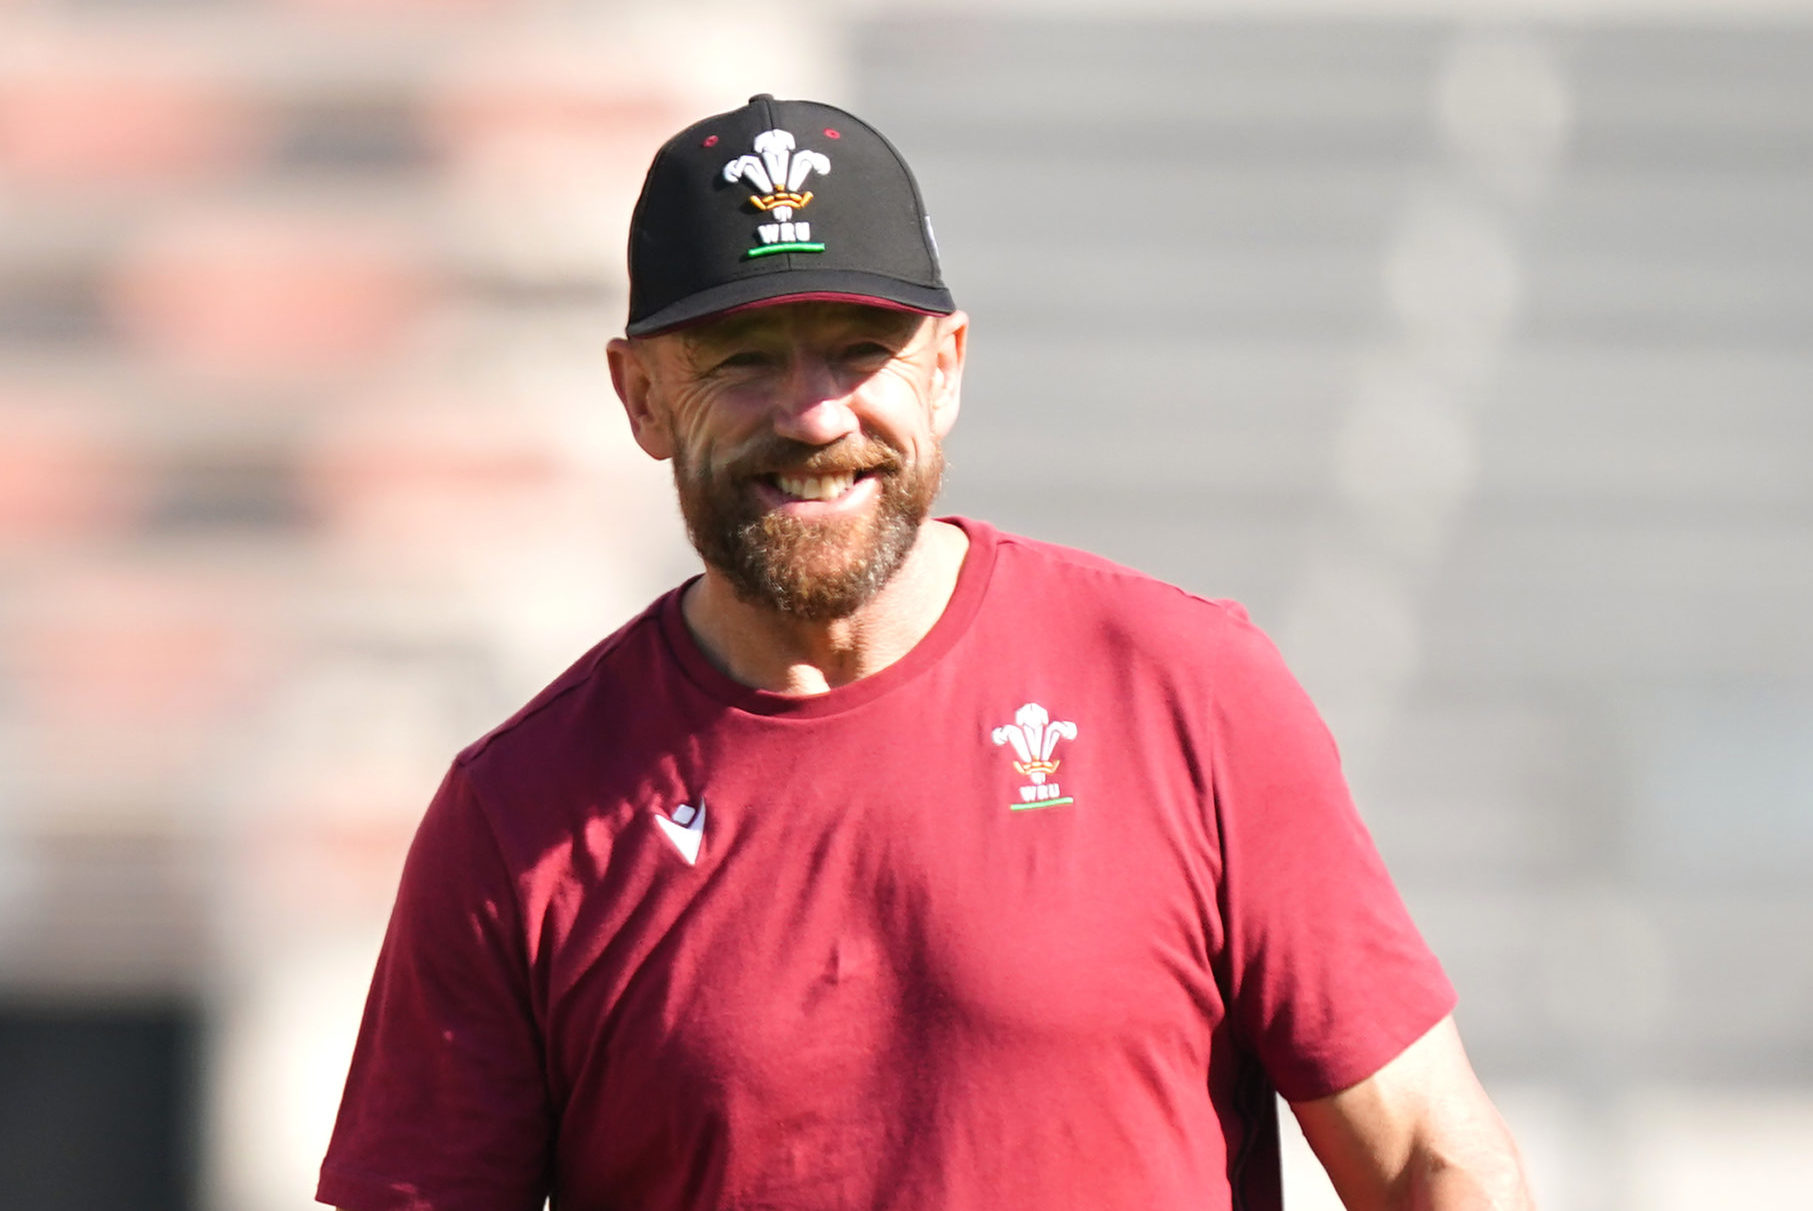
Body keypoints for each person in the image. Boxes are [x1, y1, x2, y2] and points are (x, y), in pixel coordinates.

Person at [318, 94, 1533, 1211]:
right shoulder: (520, 812)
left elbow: (1428, 1158)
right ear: (639, 397)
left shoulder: (1184, 688)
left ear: (944, 369)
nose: (814, 414)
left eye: (859, 349)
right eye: (743, 359)